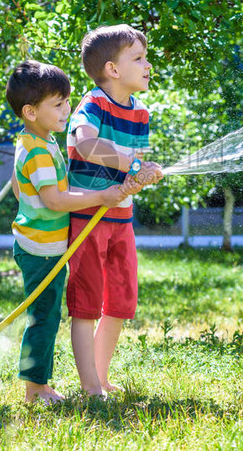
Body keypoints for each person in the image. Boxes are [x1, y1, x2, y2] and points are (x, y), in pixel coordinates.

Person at [5, 59, 140, 404]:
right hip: (39, 250)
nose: (67, 108)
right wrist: (101, 196)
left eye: (66, 101)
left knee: (46, 315)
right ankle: (35, 389)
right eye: (58, 103)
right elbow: (54, 200)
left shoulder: (40, 142)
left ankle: (40, 385)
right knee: (44, 318)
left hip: (43, 244)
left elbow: (19, 189)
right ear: (30, 112)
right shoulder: (37, 151)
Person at [66, 24, 164, 396]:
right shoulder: (94, 104)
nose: (147, 64)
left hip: (121, 218)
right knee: (88, 304)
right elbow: (85, 145)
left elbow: (130, 169)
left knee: (120, 303)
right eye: (138, 58)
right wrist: (134, 167)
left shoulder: (139, 112)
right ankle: (90, 387)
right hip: (88, 217)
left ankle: (101, 378)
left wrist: (143, 175)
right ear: (112, 69)